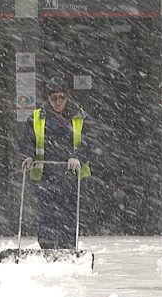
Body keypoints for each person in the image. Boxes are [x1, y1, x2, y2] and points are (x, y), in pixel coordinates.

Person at [18, 76, 94, 249]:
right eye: (54, 98)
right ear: (48, 98)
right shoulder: (36, 118)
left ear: (67, 97)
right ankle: (47, 248)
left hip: (72, 176)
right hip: (46, 175)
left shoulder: (81, 117)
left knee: (68, 214)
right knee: (48, 214)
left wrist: (79, 158)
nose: (58, 102)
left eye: (62, 98)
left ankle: (67, 248)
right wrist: (27, 157)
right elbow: (26, 141)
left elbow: (91, 143)